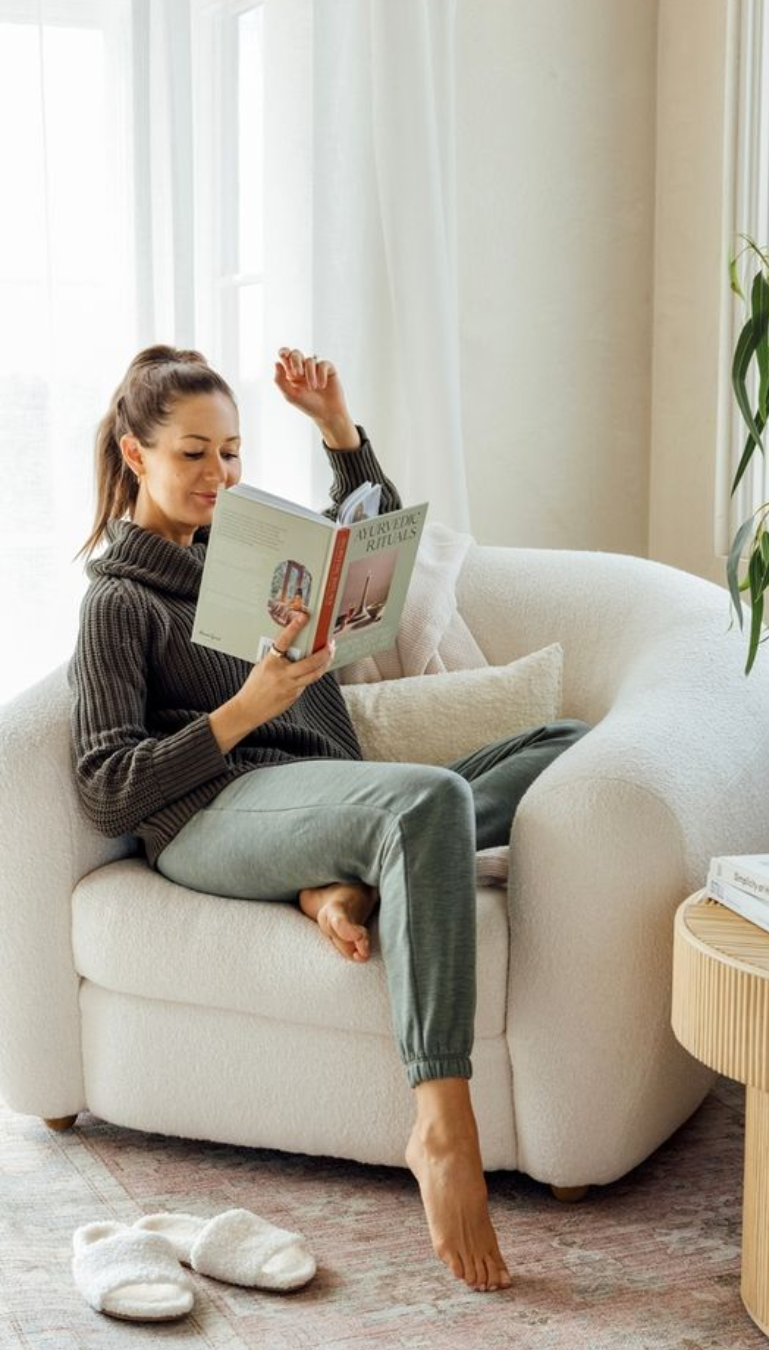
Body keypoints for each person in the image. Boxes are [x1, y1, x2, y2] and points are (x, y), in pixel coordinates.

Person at [69, 343, 589, 1294]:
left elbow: (375, 535)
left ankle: (343, 879)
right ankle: (442, 1123)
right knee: (428, 799)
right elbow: (106, 781)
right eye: (193, 454)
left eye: (231, 452)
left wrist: (337, 429)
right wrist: (248, 709)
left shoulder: (252, 552)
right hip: (212, 819)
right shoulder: (118, 602)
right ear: (136, 456)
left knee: (565, 739)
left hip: (322, 797)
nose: (218, 476)